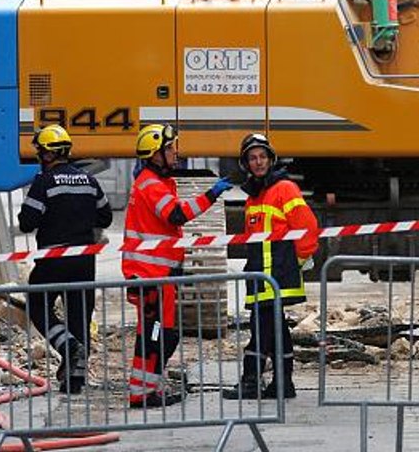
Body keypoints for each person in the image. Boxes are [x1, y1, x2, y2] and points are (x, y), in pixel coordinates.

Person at [122, 123, 232, 408]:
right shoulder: (151, 184)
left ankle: (147, 390)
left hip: (157, 277)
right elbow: (177, 215)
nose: (175, 153)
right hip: (151, 279)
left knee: (160, 335)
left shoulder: (156, 181)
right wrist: (212, 194)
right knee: (156, 335)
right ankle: (142, 393)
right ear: (155, 154)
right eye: (170, 148)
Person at [223, 133, 319, 400]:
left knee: (261, 329)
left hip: (276, 276)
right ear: (246, 163)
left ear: (271, 159)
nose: (258, 162)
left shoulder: (284, 188)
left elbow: (308, 228)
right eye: (252, 158)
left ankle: (252, 381)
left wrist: (297, 262)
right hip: (261, 276)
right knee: (275, 330)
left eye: (262, 157)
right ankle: (283, 384)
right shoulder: (255, 195)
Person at [18, 125, 113, 392]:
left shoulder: (44, 182)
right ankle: (75, 380)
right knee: (80, 315)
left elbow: (27, 222)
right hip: (84, 260)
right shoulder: (89, 181)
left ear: (47, 155)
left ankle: (67, 345)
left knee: (37, 304)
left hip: (52, 260)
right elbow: (105, 216)